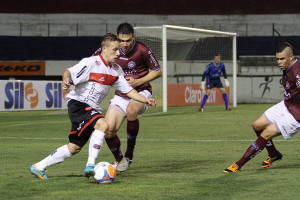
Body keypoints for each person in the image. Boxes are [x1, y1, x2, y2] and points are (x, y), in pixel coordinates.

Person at [29, 33, 157, 179]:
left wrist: (145, 100)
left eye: (119, 50)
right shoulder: (90, 63)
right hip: (78, 104)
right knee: (103, 125)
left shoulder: (116, 70)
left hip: (92, 108)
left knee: (74, 147)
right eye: (115, 50)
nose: (118, 53)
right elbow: (68, 72)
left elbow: (128, 90)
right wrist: (66, 80)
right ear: (104, 48)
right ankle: (90, 165)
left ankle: (39, 166)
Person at [93, 22, 162, 172]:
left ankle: (129, 154)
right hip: (120, 94)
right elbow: (93, 62)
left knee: (131, 110)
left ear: (134, 37)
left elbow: (158, 71)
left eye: (128, 40)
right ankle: (120, 160)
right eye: (121, 40)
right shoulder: (111, 49)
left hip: (142, 91)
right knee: (108, 130)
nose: (124, 44)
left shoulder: (143, 49)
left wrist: (138, 81)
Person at [224, 42, 300, 173]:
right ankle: (273, 153)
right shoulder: (288, 68)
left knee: (265, 134)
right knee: (257, 125)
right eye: (277, 59)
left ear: (291, 57)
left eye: (282, 59)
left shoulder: (297, 72)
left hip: (296, 115)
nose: (279, 62)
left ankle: (238, 164)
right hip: (286, 105)